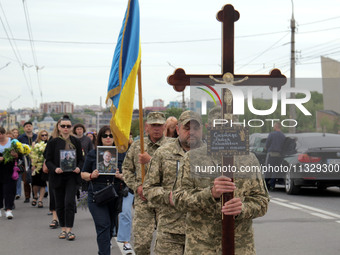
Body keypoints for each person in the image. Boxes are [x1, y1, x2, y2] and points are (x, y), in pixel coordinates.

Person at [172, 106, 269, 255]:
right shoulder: (192, 158)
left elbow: (262, 202)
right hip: (201, 247)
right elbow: (178, 199)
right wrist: (211, 194)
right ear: (209, 127)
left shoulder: (248, 159)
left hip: (240, 247)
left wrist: (242, 208)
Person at [143, 110, 203, 255]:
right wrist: (168, 196)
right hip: (170, 232)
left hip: (203, 233)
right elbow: (148, 188)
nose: (192, 132)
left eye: (196, 128)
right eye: (187, 128)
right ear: (177, 129)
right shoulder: (163, 153)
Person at [123, 111, 172, 255]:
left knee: (166, 245)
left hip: (164, 200)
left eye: (159, 125)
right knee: (141, 243)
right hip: (143, 200)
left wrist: (151, 160)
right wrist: (136, 187)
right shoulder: (138, 146)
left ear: (164, 127)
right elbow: (126, 169)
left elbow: (177, 170)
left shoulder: (172, 146)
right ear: (146, 127)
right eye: (153, 125)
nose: (156, 128)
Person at [81, 125, 125, 255]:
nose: (108, 138)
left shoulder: (121, 154)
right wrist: (91, 175)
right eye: (105, 135)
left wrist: (120, 176)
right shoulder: (93, 154)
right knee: (103, 226)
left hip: (114, 195)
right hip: (97, 196)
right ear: (100, 137)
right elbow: (83, 173)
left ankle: (103, 250)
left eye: (111, 135)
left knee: (110, 228)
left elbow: (130, 174)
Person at [45, 115, 83, 241]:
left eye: (68, 126)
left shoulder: (76, 141)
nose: (66, 128)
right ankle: (63, 229)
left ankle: (70, 230)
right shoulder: (53, 142)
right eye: (63, 126)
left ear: (71, 127)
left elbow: (82, 159)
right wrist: (55, 168)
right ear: (59, 127)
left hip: (72, 177)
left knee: (69, 202)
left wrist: (78, 167)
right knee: (60, 204)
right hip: (57, 177)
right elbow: (48, 160)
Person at [0, 127, 18, 219]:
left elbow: (19, 154)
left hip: (9, 168)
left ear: (3, 134)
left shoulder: (12, 142)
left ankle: (8, 210)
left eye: (1, 134)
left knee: (9, 190)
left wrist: (15, 155)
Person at [18, 121, 37, 203]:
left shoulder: (36, 136)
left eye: (30, 126)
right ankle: (27, 196)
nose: (28, 127)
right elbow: (18, 149)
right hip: (25, 160)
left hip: (36, 159)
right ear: (24, 128)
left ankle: (35, 195)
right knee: (26, 179)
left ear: (32, 127)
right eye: (26, 126)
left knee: (35, 178)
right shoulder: (21, 138)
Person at [265, 122, 286, 191]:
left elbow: (267, 144)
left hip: (271, 154)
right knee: (275, 170)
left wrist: (266, 148)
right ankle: (272, 186)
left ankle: (266, 186)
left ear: (275, 126)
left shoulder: (272, 134)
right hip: (279, 155)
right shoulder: (283, 135)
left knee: (268, 169)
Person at [31, 130, 49, 208]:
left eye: (46, 135)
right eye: (42, 135)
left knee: (42, 183)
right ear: (39, 136)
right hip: (36, 164)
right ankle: (35, 196)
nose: (44, 136)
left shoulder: (49, 144)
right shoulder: (35, 143)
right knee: (35, 183)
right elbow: (32, 154)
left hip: (44, 165)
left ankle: (40, 200)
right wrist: (33, 164)